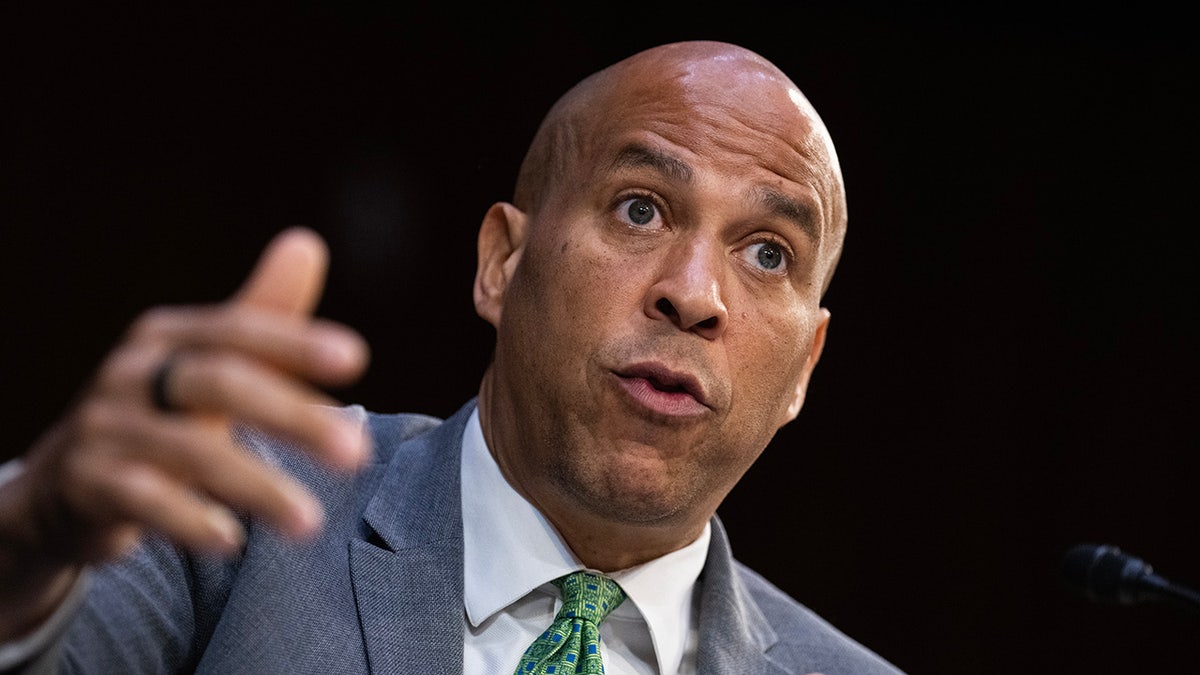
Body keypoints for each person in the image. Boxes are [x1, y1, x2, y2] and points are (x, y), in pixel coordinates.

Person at [0, 40, 904, 674]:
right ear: (501, 263)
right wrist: (24, 546)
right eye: (640, 209)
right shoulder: (234, 509)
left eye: (768, 253)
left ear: (805, 368)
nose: (694, 292)